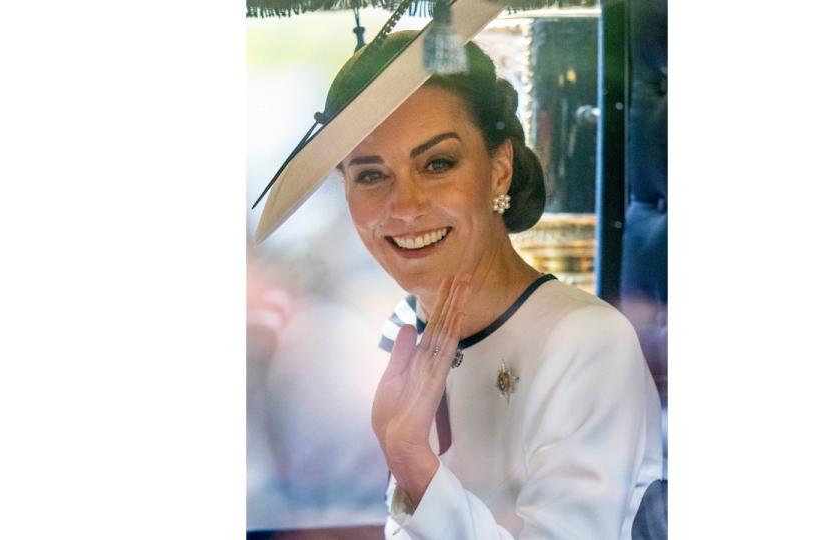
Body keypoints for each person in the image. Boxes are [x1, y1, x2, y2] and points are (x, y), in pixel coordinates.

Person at [283, 30, 662, 539]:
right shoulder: (401, 330)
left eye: (437, 164)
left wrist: (413, 462)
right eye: (371, 175)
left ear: (499, 169)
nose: (405, 207)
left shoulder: (587, 341)